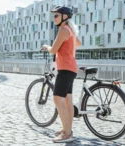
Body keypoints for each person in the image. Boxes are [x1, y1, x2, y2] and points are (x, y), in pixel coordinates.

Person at [41, 5, 81, 143]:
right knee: (68, 101)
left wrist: (47, 46)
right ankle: (67, 129)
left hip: (65, 69)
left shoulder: (64, 30)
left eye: (56, 15)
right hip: (71, 68)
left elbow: (53, 50)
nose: (54, 18)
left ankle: (67, 134)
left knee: (58, 99)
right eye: (54, 15)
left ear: (65, 17)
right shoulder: (70, 30)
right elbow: (78, 43)